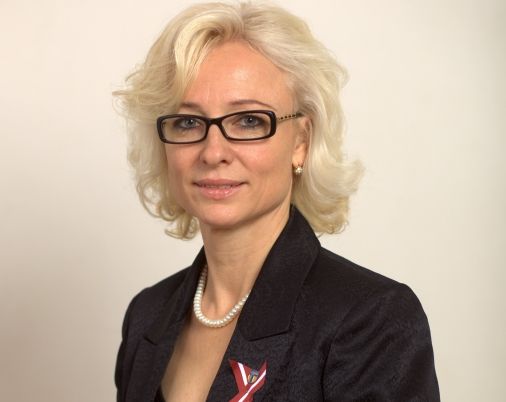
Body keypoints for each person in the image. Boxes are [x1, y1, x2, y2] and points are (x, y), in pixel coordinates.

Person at [114, 2, 440, 401]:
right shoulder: (147, 315)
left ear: (301, 141)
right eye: (188, 122)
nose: (213, 152)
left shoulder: (371, 319)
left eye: (248, 120)